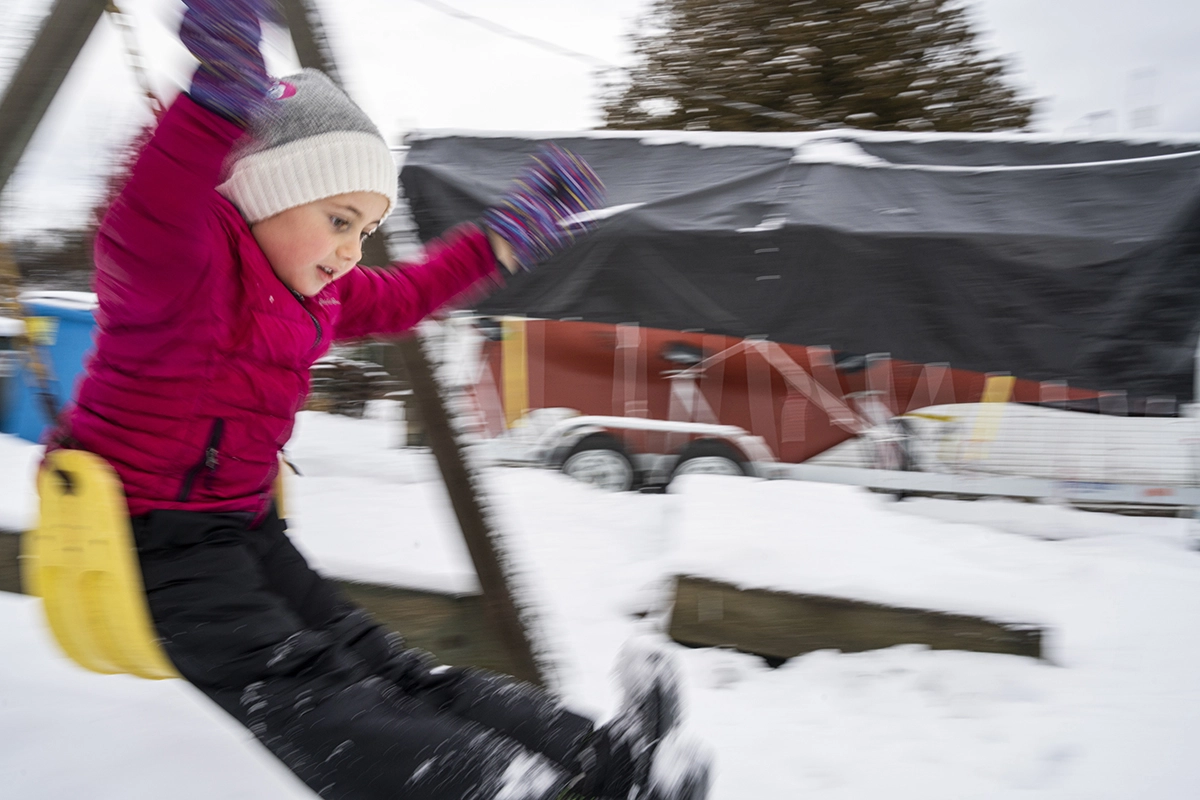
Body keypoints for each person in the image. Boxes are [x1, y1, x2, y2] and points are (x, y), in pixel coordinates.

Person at [49, 1, 711, 798]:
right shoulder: (176, 266)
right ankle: (478, 783)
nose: (350, 251)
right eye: (338, 219)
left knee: (387, 667)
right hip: (149, 544)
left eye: (364, 230)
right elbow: (152, 205)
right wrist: (219, 95)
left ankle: (611, 762)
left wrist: (502, 236)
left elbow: (407, 294)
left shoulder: (316, 296)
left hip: (248, 530)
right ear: (263, 190)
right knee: (293, 682)